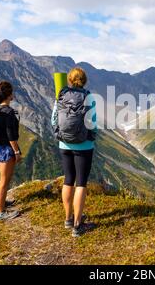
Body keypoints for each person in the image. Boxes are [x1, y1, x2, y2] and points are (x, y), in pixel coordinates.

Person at [52, 67, 97, 237]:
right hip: (84, 146)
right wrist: (91, 138)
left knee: (68, 179)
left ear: (69, 80)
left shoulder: (61, 96)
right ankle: (78, 226)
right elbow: (92, 122)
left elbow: (53, 119)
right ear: (84, 81)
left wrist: (59, 136)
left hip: (64, 144)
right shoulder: (88, 97)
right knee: (81, 183)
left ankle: (68, 219)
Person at [0, 81, 22, 221]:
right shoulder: (8, 112)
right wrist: (16, 152)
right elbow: (11, 136)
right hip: (6, 150)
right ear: (9, 95)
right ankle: (1, 212)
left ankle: (2, 203)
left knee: (4, 179)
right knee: (4, 181)